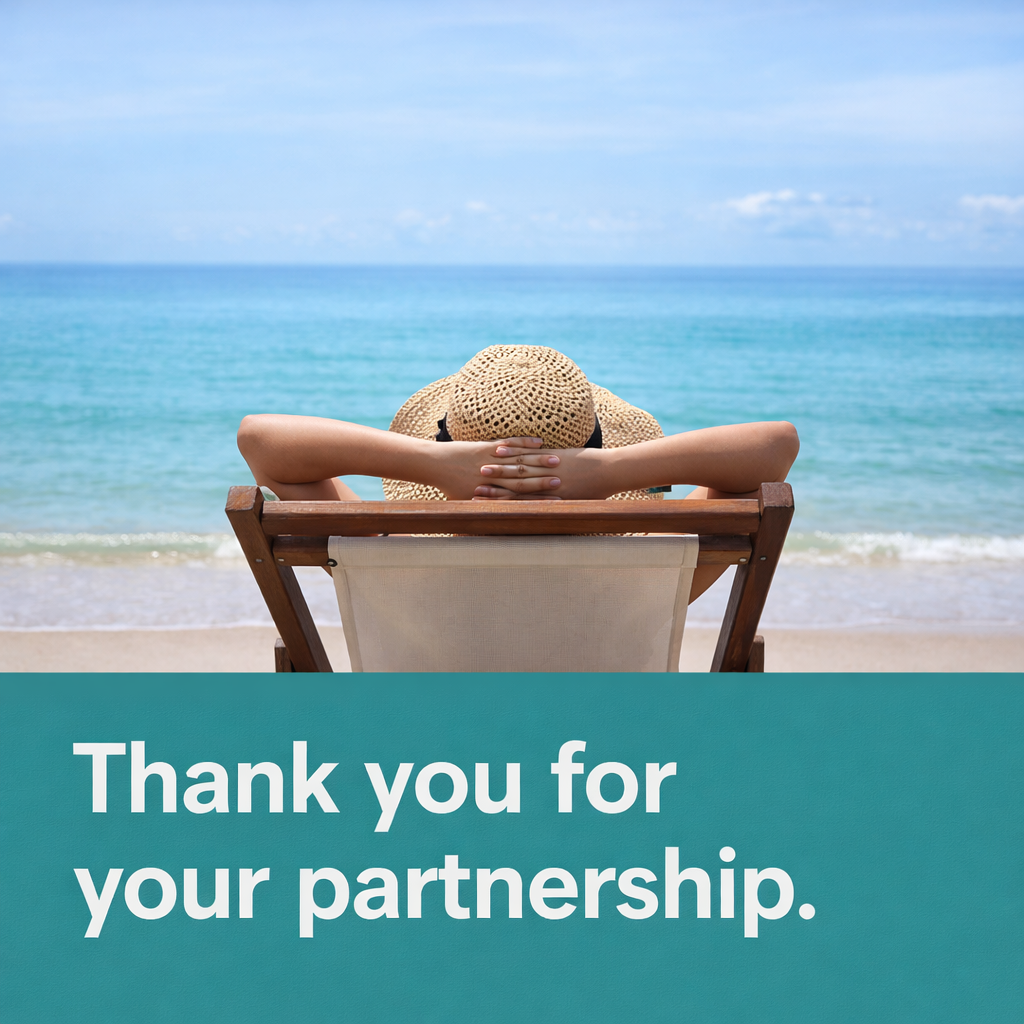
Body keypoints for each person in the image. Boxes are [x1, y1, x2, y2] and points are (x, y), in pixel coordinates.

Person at [237, 345, 799, 600]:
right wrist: (605, 473)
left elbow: (260, 441)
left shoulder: (387, 571)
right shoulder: (646, 584)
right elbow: (773, 448)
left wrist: (433, 463)